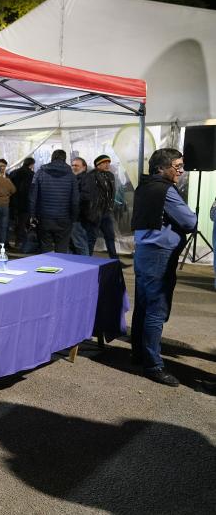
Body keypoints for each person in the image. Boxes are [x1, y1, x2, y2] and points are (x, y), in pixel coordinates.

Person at [130, 148, 197, 386]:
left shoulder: (145, 186)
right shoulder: (166, 190)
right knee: (156, 310)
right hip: (159, 255)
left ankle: (138, 353)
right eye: (177, 166)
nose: (181, 170)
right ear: (161, 168)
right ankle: (153, 365)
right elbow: (190, 221)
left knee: (143, 306)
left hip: (145, 252)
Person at [29, 149, 78, 254]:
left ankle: (46, 268)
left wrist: (33, 215)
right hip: (64, 218)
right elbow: (75, 200)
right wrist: (73, 217)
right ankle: (61, 269)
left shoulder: (40, 173)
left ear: (52, 157)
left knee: (45, 247)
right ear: (65, 159)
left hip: (44, 217)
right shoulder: (71, 176)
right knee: (62, 248)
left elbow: (33, 196)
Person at [82, 154, 119, 259]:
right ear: (98, 164)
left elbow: (112, 193)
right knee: (91, 238)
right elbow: (88, 195)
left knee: (110, 237)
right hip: (95, 213)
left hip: (107, 213)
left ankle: (114, 260)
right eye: (104, 163)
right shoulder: (90, 176)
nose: (107, 165)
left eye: (108, 163)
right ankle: (87, 260)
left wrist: (110, 206)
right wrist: (90, 212)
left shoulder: (110, 176)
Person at [9, 157, 35, 250]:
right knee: (23, 224)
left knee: (16, 223)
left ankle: (16, 242)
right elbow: (32, 191)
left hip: (14, 202)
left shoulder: (14, 172)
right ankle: (21, 243)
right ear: (31, 164)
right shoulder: (32, 175)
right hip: (26, 203)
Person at [0, 162, 16, 251]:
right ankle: (1, 245)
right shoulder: (7, 180)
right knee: (3, 227)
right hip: (5, 205)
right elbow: (14, 190)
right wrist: (7, 194)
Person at [71, 157, 90, 256]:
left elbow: (85, 198)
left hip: (79, 217)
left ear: (84, 167)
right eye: (73, 165)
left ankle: (85, 266)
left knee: (80, 244)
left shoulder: (85, 179)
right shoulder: (75, 178)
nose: (74, 167)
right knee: (74, 244)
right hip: (75, 217)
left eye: (77, 165)